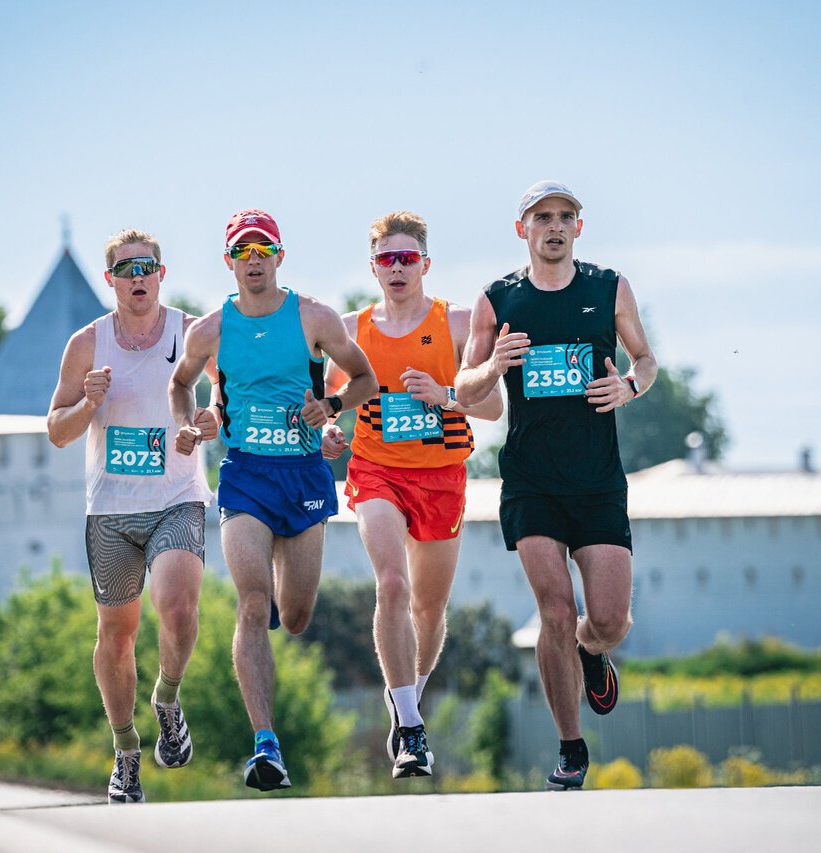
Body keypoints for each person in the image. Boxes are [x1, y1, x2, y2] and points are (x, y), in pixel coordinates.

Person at [454, 181, 657, 791]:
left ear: (579, 227)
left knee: (610, 620)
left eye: (566, 217)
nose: (555, 226)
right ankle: (571, 746)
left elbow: (645, 360)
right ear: (523, 228)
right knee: (555, 608)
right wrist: (494, 365)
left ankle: (591, 653)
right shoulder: (498, 299)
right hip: (530, 481)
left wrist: (629, 386)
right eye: (543, 217)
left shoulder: (608, 287)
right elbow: (465, 390)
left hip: (597, 482)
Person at [169, 208, 376, 791]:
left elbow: (365, 380)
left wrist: (330, 409)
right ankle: (266, 746)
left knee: (298, 614)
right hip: (246, 477)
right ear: (230, 261)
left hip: (306, 476)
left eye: (263, 250)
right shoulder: (209, 330)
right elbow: (181, 383)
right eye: (243, 251)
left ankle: (281, 605)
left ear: (280, 257)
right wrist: (189, 424)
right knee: (253, 605)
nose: (253, 260)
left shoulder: (313, 316)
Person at [321, 211, 502, 779]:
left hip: (442, 475)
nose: (397, 269)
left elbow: (494, 406)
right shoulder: (351, 328)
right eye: (386, 259)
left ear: (426, 263)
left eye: (407, 258)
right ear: (372, 266)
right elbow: (329, 397)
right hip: (376, 471)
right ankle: (413, 730)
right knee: (392, 584)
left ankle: (408, 700)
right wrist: (327, 430)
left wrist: (447, 394)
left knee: (428, 606)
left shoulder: (457, 323)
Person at [47, 228, 214, 804]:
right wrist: (89, 402)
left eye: (147, 267)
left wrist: (210, 421)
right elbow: (57, 433)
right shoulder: (86, 344)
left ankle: (167, 700)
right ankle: (125, 754)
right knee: (116, 637)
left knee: (177, 604)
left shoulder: (191, 331)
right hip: (112, 512)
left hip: (177, 498)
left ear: (161, 274)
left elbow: (227, 397)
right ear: (110, 279)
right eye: (126, 268)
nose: (137, 276)